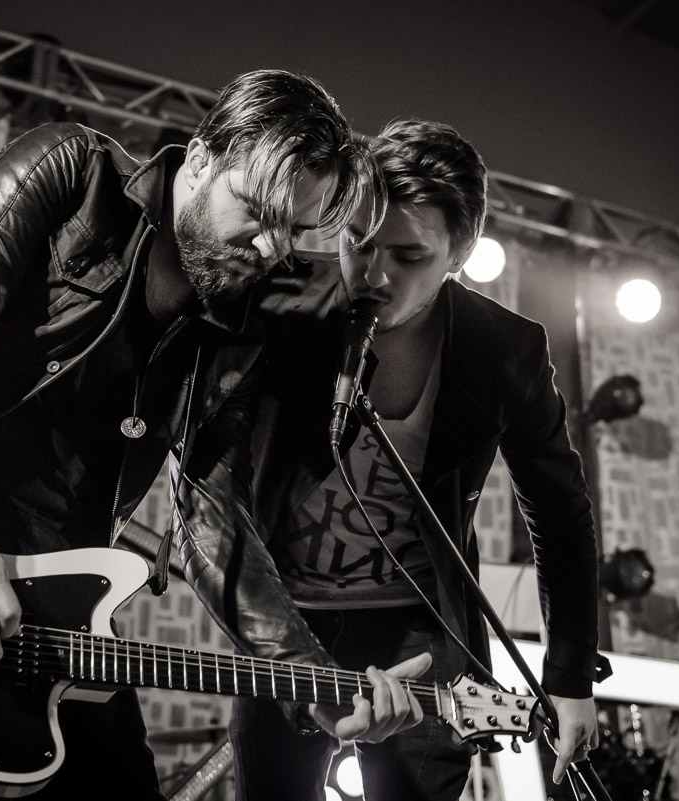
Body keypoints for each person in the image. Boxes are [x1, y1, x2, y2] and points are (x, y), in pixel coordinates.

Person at [0, 70, 428, 801]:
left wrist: (318, 681)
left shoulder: (234, 332)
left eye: (294, 228)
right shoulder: (71, 172)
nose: (269, 246)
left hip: (49, 596)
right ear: (200, 159)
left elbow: (216, 522)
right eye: (255, 209)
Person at [181, 119, 604, 801]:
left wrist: (569, 677)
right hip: (288, 620)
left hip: (423, 627)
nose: (373, 274)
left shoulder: (508, 351)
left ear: (459, 254)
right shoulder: (277, 306)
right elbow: (208, 488)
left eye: (408, 255)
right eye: (358, 241)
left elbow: (560, 513)